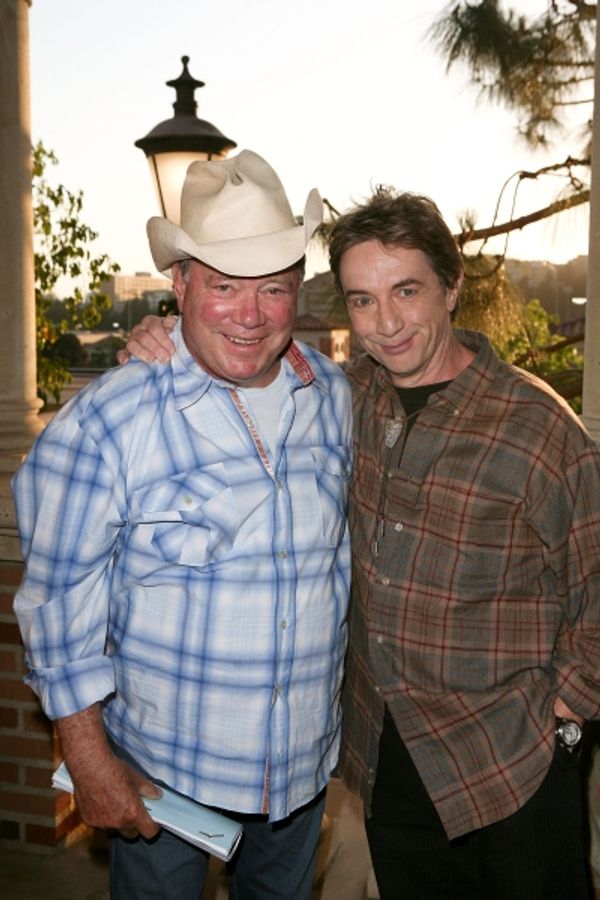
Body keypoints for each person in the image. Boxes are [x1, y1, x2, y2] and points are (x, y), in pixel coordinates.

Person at [130, 186, 600, 900]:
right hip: (389, 771)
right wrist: (163, 335)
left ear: (452, 286)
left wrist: (564, 734)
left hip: (510, 770)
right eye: (361, 300)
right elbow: (241, 359)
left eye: (405, 291)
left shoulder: (538, 430)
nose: (387, 324)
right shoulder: (341, 398)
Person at [12, 149, 352, 900]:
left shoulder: (333, 396)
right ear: (180, 284)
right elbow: (56, 608)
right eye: (225, 286)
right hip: (163, 781)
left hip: (299, 777)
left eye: (273, 289)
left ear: (299, 290)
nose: (251, 314)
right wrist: (92, 766)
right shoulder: (109, 420)